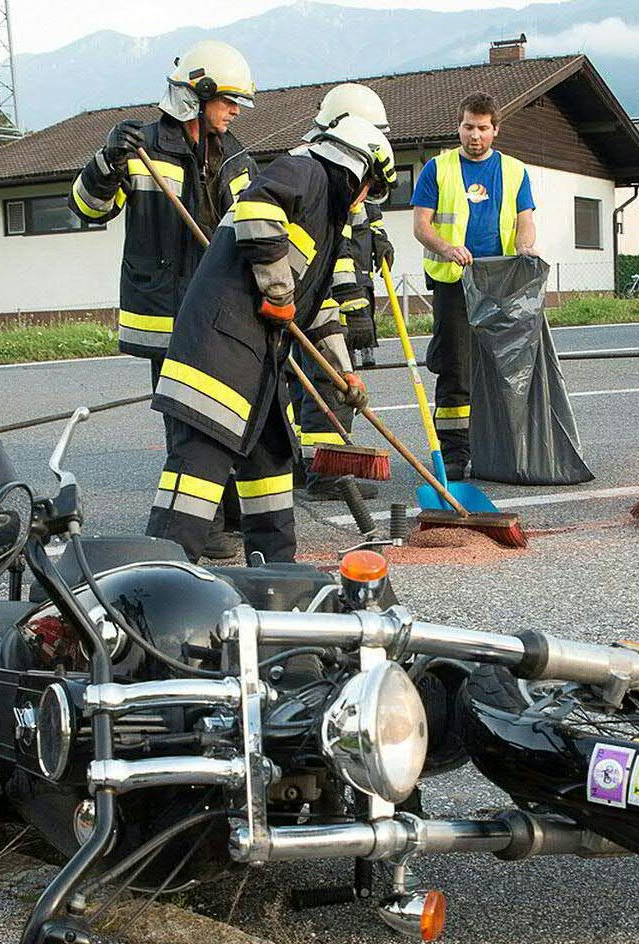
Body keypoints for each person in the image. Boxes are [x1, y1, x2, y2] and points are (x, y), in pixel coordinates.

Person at [146, 114, 396, 562]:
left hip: (255, 362)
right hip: (217, 353)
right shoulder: (305, 171)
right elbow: (258, 210)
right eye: (368, 188)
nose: (363, 201)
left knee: (271, 464)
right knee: (201, 466)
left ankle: (276, 572)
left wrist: (344, 374)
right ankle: (159, 575)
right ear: (357, 166)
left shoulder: (326, 220)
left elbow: (317, 308)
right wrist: (278, 288)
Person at [72, 39, 257, 558]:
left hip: (223, 312)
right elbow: (88, 208)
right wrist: (106, 160)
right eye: (228, 101)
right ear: (197, 96)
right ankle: (203, 530)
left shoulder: (237, 156)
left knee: (233, 414)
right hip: (164, 317)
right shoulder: (139, 148)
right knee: (188, 423)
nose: (235, 111)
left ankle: (233, 517)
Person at [411, 92, 537, 478]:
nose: (475, 135)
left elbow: (525, 219)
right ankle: (454, 454)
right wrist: (447, 248)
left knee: (504, 367)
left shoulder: (515, 171)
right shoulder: (438, 168)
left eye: (483, 128)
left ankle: (499, 448)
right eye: (468, 127)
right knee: (456, 369)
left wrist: (525, 247)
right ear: (459, 126)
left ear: (496, 130)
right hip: (453, 282)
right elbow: (421, 225)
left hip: (499, 282)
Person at [293, 83, 393, 501]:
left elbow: (367, 217)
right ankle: (324, 473)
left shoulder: (329, 164)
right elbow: (341, 250)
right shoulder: (326, 171)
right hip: (319, 294)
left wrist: (382, 236)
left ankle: (305, 464)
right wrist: (355, 310)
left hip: (313, 293)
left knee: (310, 383)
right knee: (330, 379)